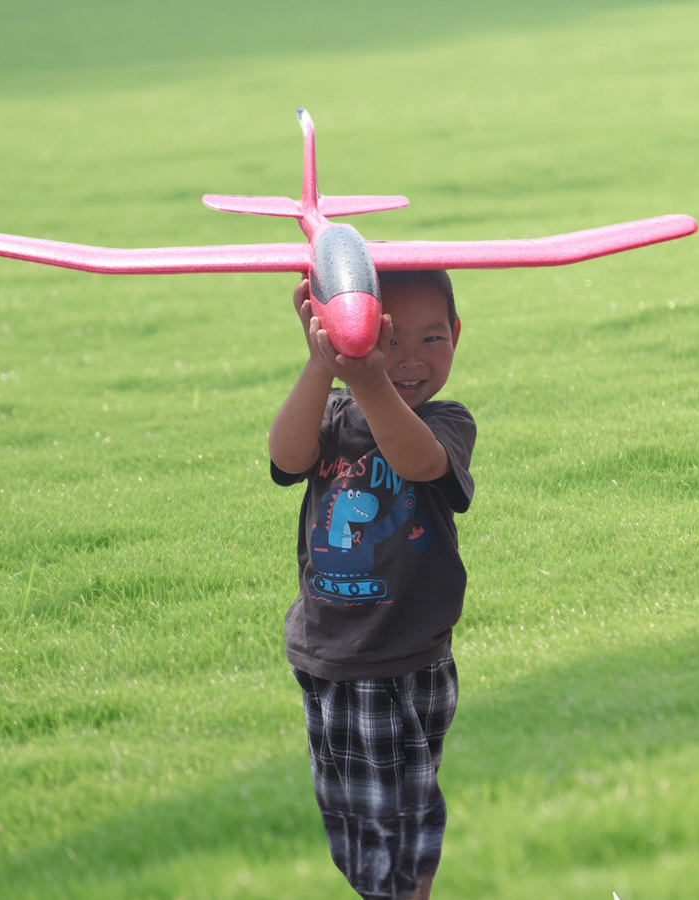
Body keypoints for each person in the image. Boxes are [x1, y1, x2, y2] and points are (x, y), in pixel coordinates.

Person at [269, 269, 476, 900]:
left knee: (400, 827)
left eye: (432, 338)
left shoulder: (447, 423)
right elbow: (286, 457)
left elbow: (416, 461)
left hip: (408, 657)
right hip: (334, 654)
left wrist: (370, 376)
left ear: (458, 336)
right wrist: (322, 365)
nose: (409, 359)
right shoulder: (330, 415)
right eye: (390, 339)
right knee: (363, 823)